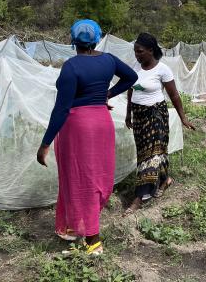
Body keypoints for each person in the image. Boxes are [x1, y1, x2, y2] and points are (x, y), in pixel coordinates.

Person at [36, 20, 137, 255]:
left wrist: (45, 143)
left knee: (81, 180)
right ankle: (75, 228)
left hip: (79, 127)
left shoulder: (71, 67)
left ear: (72, 41)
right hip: (101, 122)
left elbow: (61, 109)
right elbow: (131, 77)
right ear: (97, 39)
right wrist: (107, 94)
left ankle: (93, 242)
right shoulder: (108, 60)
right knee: (93, 177)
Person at [124, 33, 195, 215]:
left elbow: (174, 95)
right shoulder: (135, 68)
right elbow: (131, 93)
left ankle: (139, 197)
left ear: (150, 50)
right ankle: (164, 180)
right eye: (135, 52)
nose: (137, 55)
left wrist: (183, 118)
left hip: (156, 115)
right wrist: (128, 114)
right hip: (139, 116)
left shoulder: (162, 69)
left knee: (152, 155)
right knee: (145, 154)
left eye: (140, 51)